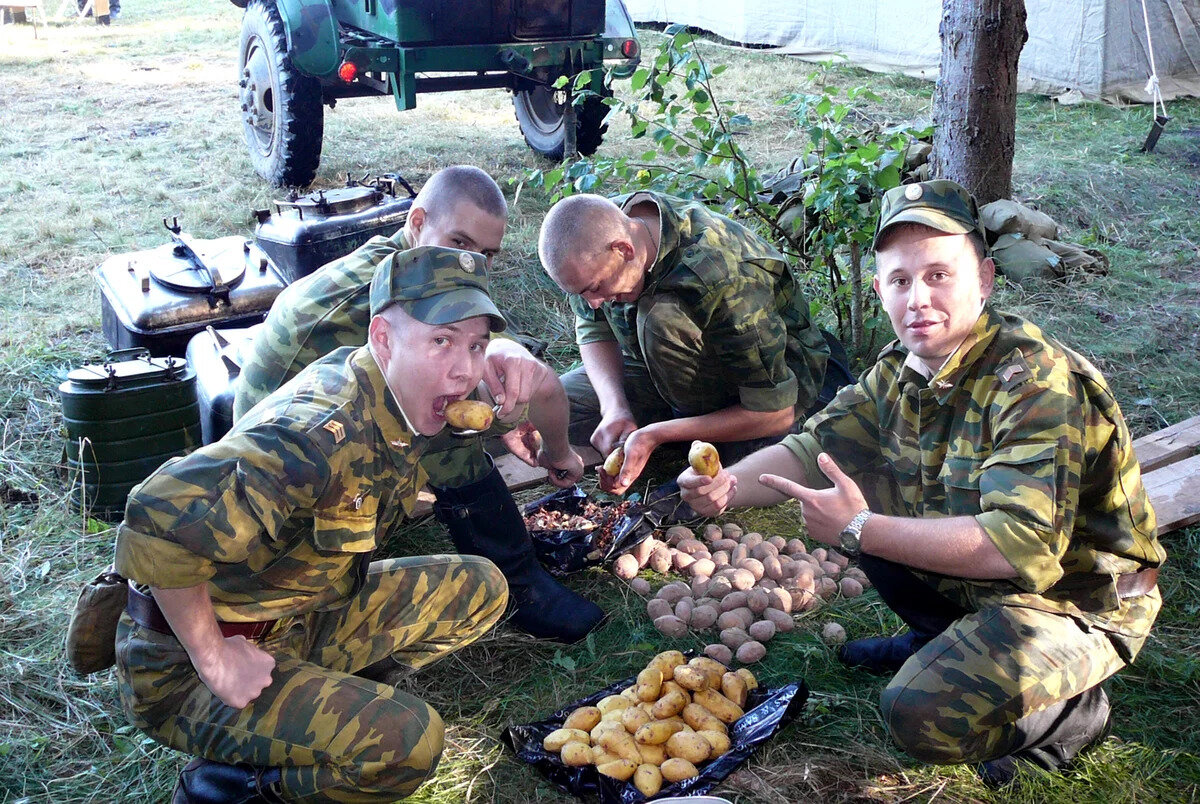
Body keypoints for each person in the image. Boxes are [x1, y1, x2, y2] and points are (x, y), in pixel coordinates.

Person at [677, 180, 1166, 786]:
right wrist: (728, 484)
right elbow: (811, 450)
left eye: (940, 275)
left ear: (984, 279)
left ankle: (1071, 714)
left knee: (917, 714)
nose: (919, 299)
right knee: (856, 484)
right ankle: (935, 635)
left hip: (1078, 599)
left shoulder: (1035, 384)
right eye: (901, 280)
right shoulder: (902, 369)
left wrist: (861, 528)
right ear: (880, 288)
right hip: (988, 576)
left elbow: (1019, 545)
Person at [114, 247, 578, 803]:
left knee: (481, 588)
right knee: (410, 744)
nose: (464, 368)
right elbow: (155, 521)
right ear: (382, 337)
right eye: (441, 340)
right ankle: (231, 788)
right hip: (184, 668)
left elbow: (464, 403)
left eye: (476, 344)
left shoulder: (401, 392)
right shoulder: (312, 437)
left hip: (297, 617)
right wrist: (214, 659)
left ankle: (312, 717)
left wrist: (506, 407)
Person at [235, 165, 604, 643]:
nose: (471, 262)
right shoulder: (366, 305)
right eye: (460, 242)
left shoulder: (412, 268)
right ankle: (518, 584)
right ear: (416, 221)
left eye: (486, 253)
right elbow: (526, 390)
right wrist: (556, 451)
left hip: (322, 445)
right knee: (451, 433)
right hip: (274, 496)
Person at [537, 191, 837, 495]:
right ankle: (673, 424)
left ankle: (693, 433)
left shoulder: (723, 272)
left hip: (756, 390)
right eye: (581, 294)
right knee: (548, 406)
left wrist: (657, 435)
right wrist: (614, 406)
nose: (594, 303)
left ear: (624, 251)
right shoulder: (592, 237)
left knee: (662, 319)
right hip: (652, 365)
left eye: (596, 288)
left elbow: (776, 412)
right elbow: (593, 329)